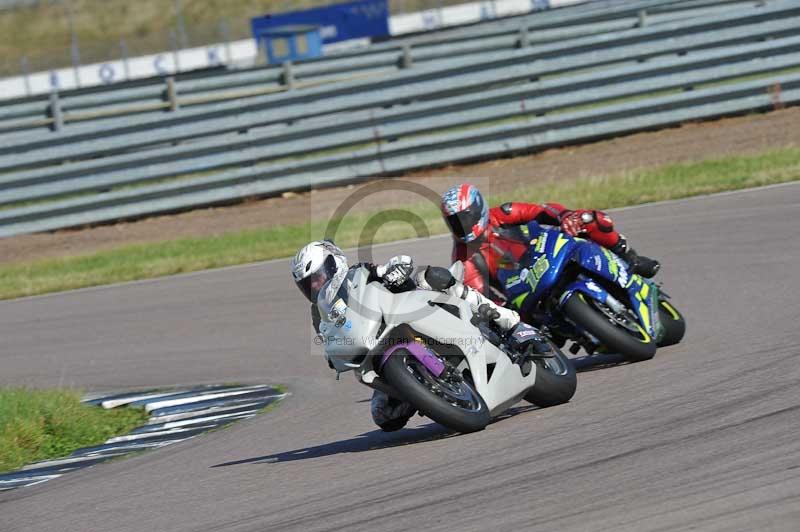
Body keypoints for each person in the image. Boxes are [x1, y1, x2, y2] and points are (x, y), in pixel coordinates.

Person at [291, 240, 543, 431]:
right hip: (378, 351)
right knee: (384, 416)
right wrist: (332, 355)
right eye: (307, 284)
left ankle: (509, 322)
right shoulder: (319, 314)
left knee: (432, 277)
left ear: (334, 263)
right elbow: (327, 339)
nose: (314, 286)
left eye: (317, 278)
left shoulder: (358, 273)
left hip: (414, 310)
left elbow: (388, 268)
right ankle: (428, 390)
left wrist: (395, 269)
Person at [440, 183, 661, 302]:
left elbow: (543, 210)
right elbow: (483, 299)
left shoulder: (504, 213)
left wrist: (565, 216)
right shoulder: (464, 260)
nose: (463, 225)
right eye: (455, 222)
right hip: (526, 294)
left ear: (478, 207)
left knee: (589, 219)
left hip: (551, 253)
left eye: (465, 217)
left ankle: (629, 257)